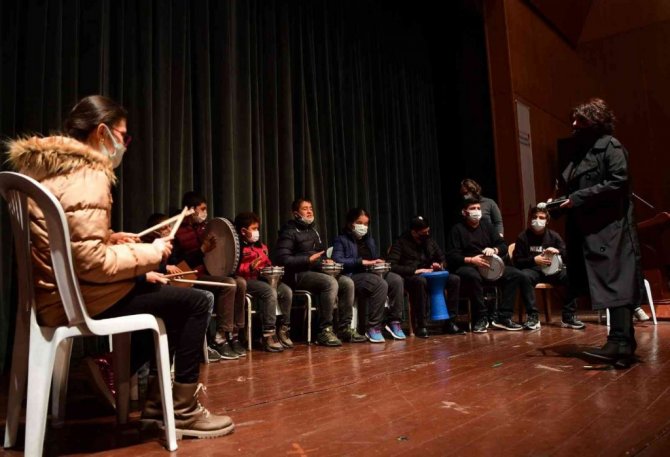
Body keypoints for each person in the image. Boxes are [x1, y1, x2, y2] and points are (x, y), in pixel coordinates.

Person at [6, 95, 233, 438]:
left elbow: (71, 242)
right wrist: (151, 252)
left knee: (157, 290)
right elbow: (92, 263)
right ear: (101, 132)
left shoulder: (51, 170)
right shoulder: (87, 175)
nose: (124, 146)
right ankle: (181, 409)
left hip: (55, 293)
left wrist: (111, 238)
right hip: (79, 299)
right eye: (123, 136)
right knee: (196, 303)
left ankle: (150, 400)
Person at [554, 98, 643, 367]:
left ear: (595, 122)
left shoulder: (610, 146)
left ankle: (620, 342)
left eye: (580, 120)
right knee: (609, 281)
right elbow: (573, 188)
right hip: (590, 229)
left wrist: (578, 198)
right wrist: (559, 204)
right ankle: (621, 345)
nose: (573, 124)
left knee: (618, 282)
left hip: (612, 229)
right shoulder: (581, 153)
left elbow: (618, 182)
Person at [274, 198, 365, 346]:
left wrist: (326, 261)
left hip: (314, 271)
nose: (309, 211)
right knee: (330, 283)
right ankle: (325, 330)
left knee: (347, 282)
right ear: (296, 214)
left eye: (310, 208)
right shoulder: (289, 232)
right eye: (305, 209)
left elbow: (319, 255)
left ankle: (344, 328)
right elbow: (283, 259)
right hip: (297, 275)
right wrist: (307, 260)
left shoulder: (313, 231)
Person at [172, 192, 247, 360]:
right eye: (202, 209)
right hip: (191, 276)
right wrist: (202, 251)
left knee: (241, 282)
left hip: (208, 272)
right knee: (229, 284)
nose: (205, 212)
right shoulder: (177, 231)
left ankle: (234, 333)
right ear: (191, 210)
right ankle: (220, 336)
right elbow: (178, 265)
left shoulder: (206, 228)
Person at [446, 195, 524, 333]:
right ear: (464, 212)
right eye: (473, 208)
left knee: (515, 274)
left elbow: (502, 245)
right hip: (468, 267)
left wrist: (494, 249)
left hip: (488, 265)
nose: (476, 211)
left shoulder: (487, 226)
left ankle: (503, 317)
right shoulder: (457, 229)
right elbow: (452, 256)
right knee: (473, 276)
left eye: (478, 208)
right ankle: (481, 317)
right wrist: (471, 260)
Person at [332, 207, 406, 342]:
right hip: (353, 275)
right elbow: (337, 260)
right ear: (350, 224)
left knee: (396, 280)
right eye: (359, 223)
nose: (363, 227)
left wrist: (378, 262)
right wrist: (361, 262)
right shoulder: (341, 240)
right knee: (380, 284)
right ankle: (373, 326)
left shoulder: (369, 240)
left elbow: (373, 258)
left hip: (371, 273)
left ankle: (394, 321)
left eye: (366, 224)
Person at [388, 216, 464, 338]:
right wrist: (415, 270)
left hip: (432, 275)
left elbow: (443, 259)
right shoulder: (401, 243)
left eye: (428, 231)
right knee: (420, 281)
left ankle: (450, 322)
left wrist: (440, 265)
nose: (427, 234)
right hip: (412, 277)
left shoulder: (430, 241)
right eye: (424, 233)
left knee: (454, 279)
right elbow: (392, 265)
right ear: (414, 232)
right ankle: (421, 325)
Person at [512, 205, 585, 330]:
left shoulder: (554, 236)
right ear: (530, 219)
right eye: (535, 217)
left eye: (541, 218)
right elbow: (517, 261)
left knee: (571, 275)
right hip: (533, 270)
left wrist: (558, 251)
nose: (538, 220)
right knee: (524, 276)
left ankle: (568, 317)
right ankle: (533, 317)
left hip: (553, 271)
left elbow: (567, 255)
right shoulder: (522, 237)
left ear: (547, 221)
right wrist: (534, 260)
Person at [234, 211, 294, 352]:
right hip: (246, 280)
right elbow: (233, 269)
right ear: (243, 231)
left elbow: (267, 263)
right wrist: (250, 267)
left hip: (263, 278)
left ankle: (283, 328)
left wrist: (272, 269)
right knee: (269, 292)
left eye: (257, 228)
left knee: (286, 291)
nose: (257, 232)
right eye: (254, 229)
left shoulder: (261, 246)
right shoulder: (237, 247)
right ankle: (268, 334)